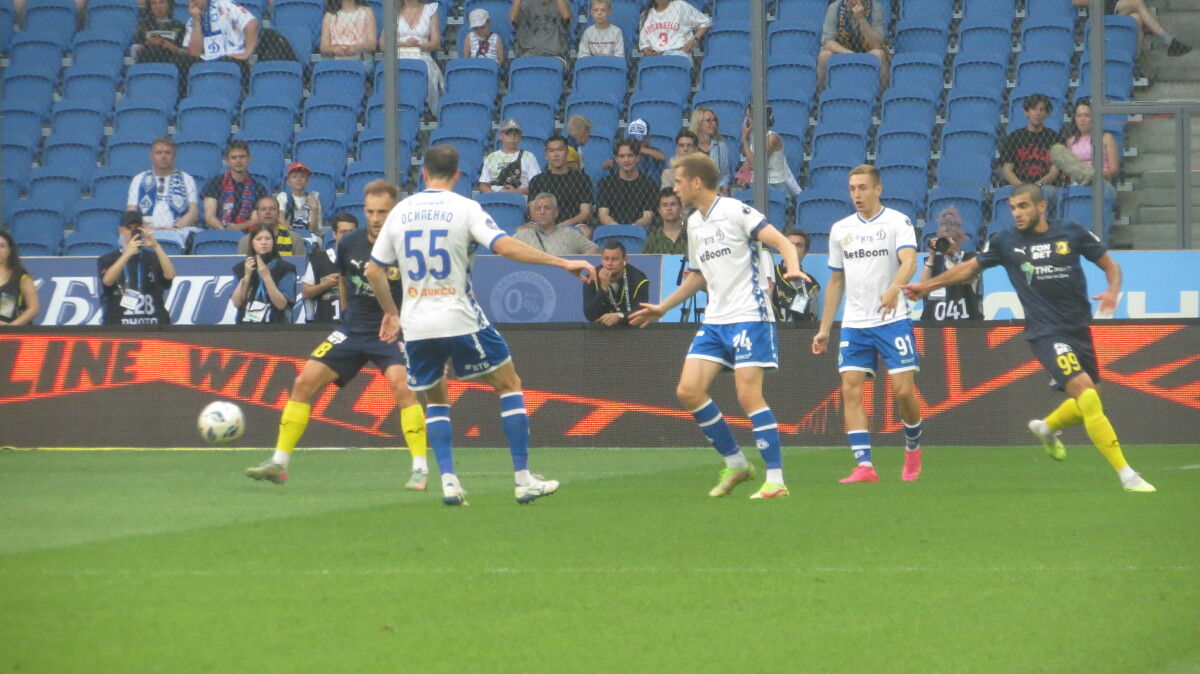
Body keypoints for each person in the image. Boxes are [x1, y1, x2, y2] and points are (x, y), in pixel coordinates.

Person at [366, 144, 596, 506]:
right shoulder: (466, 207)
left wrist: (391, 312)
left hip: (417, 325)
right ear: (458, 175)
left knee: (436, 399)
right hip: (459, 316)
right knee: (509, 385)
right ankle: (523, 480)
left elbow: (373, 270)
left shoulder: (400, 212)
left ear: (423, 173)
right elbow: (505, 247)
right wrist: (562, 262)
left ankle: (449, 481)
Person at [902, 184, 1156, 493]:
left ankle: (1047, 428)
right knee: (1088, 397)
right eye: (1013, 208)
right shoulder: (1006, 241)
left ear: (1041, 207)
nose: (1017, 213)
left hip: (1079, 330)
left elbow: (1110, 266)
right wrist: (925, 287)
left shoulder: (1071, 232)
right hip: (1045, 332)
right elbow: (967, 269)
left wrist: (1113, 290)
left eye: (1023, 206)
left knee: (1089, 402)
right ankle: (1128, 475)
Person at [630, 153, 806, 499]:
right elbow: (698, 275)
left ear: (697, 182)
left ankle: (776, 480)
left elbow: (782, 241)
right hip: (715, 319)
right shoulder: (694, 223)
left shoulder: (735, 211)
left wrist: (792, 267)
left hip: (750, 315)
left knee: (747, 395)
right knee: (688, 390)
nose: (675, 189)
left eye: (679, 182)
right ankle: (737, 463)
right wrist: (663, 307)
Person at [247, 181, 431, 489]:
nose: (376, 218)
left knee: (403, 388)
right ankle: (279, 463)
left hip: (391, 330)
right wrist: (346, 318)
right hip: (352, 329)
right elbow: (344, 280)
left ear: (395, 211)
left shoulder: (408, 246)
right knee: (303, 382)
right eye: (370, 212)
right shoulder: (350, 243)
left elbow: (422, 292)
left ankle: (419, 468)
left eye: (383, 212)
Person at [811, 164, 924, 484]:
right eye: (852, 189)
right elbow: (836, 282)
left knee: (903, 391)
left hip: (893, 320)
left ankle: (912, 447)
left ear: (878, 189)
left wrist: (894, 289)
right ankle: (864, 465)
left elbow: (910, 261)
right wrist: (824, 329)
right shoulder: (840, 229)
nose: (856, 194)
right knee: (850, 389)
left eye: (862, 188)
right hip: (855, 323)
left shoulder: (897, 222)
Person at [98, 212, 177, 326]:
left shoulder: (153, 257)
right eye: (129, 228)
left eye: (136, 228)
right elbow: (107, 281)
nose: (132, 232)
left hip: (152, 323)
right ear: (121, 230)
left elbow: (170, 275)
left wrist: (156, 246)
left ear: (143, 229)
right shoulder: (108, 259)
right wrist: (127, 253)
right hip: (119, 323)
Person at [185, 0, 294, 77]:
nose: (192, 1)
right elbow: (194, 54)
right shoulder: (191, 23)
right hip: (207, 65)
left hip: (233, 60)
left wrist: (246, 53)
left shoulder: (224, 5)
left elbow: (252, 23)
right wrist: (197, 21)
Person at [127, 137, 199, 250]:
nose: (163, 156)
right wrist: (145, 228)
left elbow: (193, 212)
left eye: (168, 153)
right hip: (145, 230)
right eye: (159, 153)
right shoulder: (139, 179)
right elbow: (132, 212)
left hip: (177, 231)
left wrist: (175, 228)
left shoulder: (186, 179)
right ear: (151, 156)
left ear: (174, 157)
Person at [918, 206, 983, 322]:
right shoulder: (934, 262)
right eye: (943, 238)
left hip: (966, 323)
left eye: (950, 238)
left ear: (958, 238)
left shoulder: (971, 259)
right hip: (934, 324)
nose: (946, 242)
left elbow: (968, 278)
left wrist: (953, 254)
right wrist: (932, 255)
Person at [1001, 94, 1064, 204]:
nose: (1037, 113)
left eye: (1042, 110)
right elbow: (1007, 170)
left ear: (1047, 114)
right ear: (1026, 112)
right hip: (1019, 184)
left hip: (1044, 186)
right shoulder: (1014, 138)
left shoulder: (1055, 138)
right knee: (1005, 192)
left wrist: (1036, 186)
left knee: (1047, 192)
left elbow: (1054, 172)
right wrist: (1022, 187)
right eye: (1034, 109)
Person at [230, 223, 297, 324]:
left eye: (268, 239)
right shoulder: (240, 268)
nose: (264, 242)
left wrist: (267, 277)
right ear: (252, 243)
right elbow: (236, 303)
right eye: (258, 239)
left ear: (273, 242)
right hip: (246, 327)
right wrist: (246, 276)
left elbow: (281, 304)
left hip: (276, 326)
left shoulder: (286, 268)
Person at [1073, 0, 1190, 57]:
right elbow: (1076, 1)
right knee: (1137, 3)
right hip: (1101, 11)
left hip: (1118, 6)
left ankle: (1133, 64)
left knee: (1136, 19)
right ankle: (1168, 40)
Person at [528, 135, 595, 235]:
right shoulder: (537, 180)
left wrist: (561, 226)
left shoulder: (582, 179)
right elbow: (533, 212)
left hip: (573, 225)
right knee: (520, 231)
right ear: (546, 155)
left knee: (585, 231)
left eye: (560, 150)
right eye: (551, 151)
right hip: (543, 224)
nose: (556, 154)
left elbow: (585, 213)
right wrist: (548, 225)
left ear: (567, 153)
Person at [817, 0, 888, 91]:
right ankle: (822, 95)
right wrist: (848, 53)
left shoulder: (875, 8)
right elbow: (827, 41)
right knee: (824, 55)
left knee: (879, 54)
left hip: (867, 53)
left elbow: (877, 44)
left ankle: (881, 97)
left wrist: (862, 19)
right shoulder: (835, 8)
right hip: (841, 52)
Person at [301, 213, 356, 323]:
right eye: (343, 232)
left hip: (356, 325)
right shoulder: (318, 259)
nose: (347, 236)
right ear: (334, 234)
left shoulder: (365, 260)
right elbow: (306, 293)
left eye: (351, 232)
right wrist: (325, 284)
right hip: (325, 326)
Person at [737, 104, 801, 199]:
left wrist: (744, 140)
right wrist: (743, 178)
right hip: (759, 187)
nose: (746, 121)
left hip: (776, 189)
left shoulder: (772, 138)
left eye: (749, 117)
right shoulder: (754, 139)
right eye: (746, 117)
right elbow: (748, 168)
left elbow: (754, 164)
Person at [202, 140, 267, 231]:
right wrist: (225, 231)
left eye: (242, 157)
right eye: (234, 158)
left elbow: (256, 219)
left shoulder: (258, 188)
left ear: (249, 158)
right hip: (218, 230)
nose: (238, 161)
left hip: (246, 232)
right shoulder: (215, 182)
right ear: (227, 160)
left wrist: (240, 227)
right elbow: (209, 217)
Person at [583, 240, 650, 326]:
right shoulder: (591, 278)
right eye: (606, 259)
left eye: (614, 259)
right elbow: (589, 315)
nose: (609, 263)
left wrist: (619, 316)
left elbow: (641, 314)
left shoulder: (639, 280)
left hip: (630, 330)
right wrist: (603, 288)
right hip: (601, 330)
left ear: (624, 260)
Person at [1059, 98, 1120, 191]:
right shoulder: (1071, 141)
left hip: (1102, 183)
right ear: (1075, 119)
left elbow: (1114, 169)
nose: (1082, 119)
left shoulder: (1106, 138)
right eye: (1079, 116)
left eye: (1087, 115)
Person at [597, 139, 659, 227]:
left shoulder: (650, 184)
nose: (626, 160)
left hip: (639, 231)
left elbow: (647, 217)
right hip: (613, 230)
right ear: (616, 159)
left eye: (630, 155)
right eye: (622, 156)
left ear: (637, 158)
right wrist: (620, 229)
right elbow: (603, 216)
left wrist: (631, 229)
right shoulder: (605, 183)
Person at [396, 0, 444, 112]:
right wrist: (402, 44)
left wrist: (419, 45)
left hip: (422, 54)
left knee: (425, 68)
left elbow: (436, 43)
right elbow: (383, 43)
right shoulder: (394, 12)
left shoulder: (430, 10)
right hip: (398, 54)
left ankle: (425, 106)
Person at [514, 193, 601, 255]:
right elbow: (506, 249)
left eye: (547, 208)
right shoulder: (523, 235)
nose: (542, 212)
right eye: (538, 208)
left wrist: (577, 264)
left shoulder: (570, 233)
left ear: (556, 212)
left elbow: (594, 249)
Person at [132, 0, 198, 78]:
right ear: (150, 7)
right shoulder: (143, 26)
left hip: (172, 60)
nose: (158, 6)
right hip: (149, 58)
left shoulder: (180, 26)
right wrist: (147, 44)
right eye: (153, 3)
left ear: (169, 5)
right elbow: (133, 51)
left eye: (162, 2)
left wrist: (172, 47)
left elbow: (187, 53)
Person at [479, 118, 542, 196]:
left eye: (516, 134)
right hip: (495, 198)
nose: (512, 137)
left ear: (520, 137)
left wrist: (518, 191)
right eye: (508, 134)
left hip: (520, 199)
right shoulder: (491, 157)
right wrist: (492, 193)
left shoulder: (529, 156)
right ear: (500, 136)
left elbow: (536, 184)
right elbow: (483, 185)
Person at [772, 228, 820, 323]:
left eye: (799, 245)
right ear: (780, 249)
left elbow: (811, 318)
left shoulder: (812, 283)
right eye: (790, 245)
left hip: (799, 331)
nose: (793, 248)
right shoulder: (770, 273)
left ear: (805, 251)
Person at [237, 194, 307, 256]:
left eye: (272, 209)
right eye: (263, 209)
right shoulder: (246, 241)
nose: (267, 212)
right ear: (257, 214)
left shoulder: (294, 239)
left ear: (278, 213)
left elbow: (300, 265)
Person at [638, 0, 710, 61]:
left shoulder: (680, 5)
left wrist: (694, 40)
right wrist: (647, 51)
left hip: (679, 53)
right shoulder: (646, 15)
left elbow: (706, 22)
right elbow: (644, 44)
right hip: (657, 57)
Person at [276, 162, 322, 247]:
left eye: (302, 177)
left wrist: (315, 209)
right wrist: (285, 226)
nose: (298, 180)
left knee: (316, 241)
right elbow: (280, 214)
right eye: (294, 177)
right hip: (288, 231)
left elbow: (312, 229)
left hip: (307, 233)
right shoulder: (283, 196)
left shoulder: (313, 198)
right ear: (288, 181)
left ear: (307, 181)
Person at [0, 231, 40, 326]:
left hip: (14, 332)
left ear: (9, 250)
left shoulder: (22, 277)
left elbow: (34, 309)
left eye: (1, 246)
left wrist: (11, 327)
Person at [688, 107, 731, 195]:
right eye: (709, 120)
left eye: (714, 120)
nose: (713, 123)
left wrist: (723, 185)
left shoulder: (721, 147)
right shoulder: (688, 145)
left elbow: (725, 173)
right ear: (699, 123)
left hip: (715, 191)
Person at [643, 188, 688, 254]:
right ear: (659, 210)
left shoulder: (689, 234)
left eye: (673, 204)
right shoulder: (653, 238)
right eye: (665, 205)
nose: (669, 208)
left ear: (681, 207)